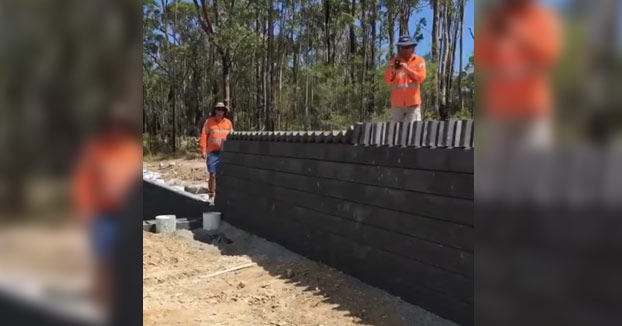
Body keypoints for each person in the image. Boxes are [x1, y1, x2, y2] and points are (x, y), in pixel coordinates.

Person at [71, 109, 142, 320]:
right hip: (102, 213)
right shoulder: (96, 151)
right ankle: (102, 301)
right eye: (112, 126)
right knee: (103, 259)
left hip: (126, 215)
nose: (116, 131)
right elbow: (83, 182)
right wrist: (84, 210)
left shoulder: (131, 151)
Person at [476, 0, 562, 149]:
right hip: (499, 111)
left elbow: (549, 55)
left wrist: (516, 32)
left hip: (532, 110)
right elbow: (482, 59)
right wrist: (492, 33)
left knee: (533, 166)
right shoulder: (495, 18)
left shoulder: (542, 17)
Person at [384, 35, 427, 122]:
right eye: (403, 47)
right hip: (397, 104)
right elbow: (388, 81)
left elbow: (421, 78)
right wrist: (393, 72)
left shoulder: (419, 61)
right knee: (396, 131)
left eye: (408, 47)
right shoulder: (393, 62)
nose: (405, 49)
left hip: (413, 103)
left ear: (413, 47)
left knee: (413, 130)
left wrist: (407, 70)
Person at [199, 102, 233, 201]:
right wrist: (203, 150)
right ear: (215, 110)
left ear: (224, 111)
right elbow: (204, 135)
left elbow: (232, 136)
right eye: (218, 109)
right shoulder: (209, 122)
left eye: (222, 109)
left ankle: (222, 195)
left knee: (223, 174)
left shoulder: (228, 123)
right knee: (212, 174)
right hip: (212, 153)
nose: (220, 111)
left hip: (224, 153)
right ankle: (211, 196)